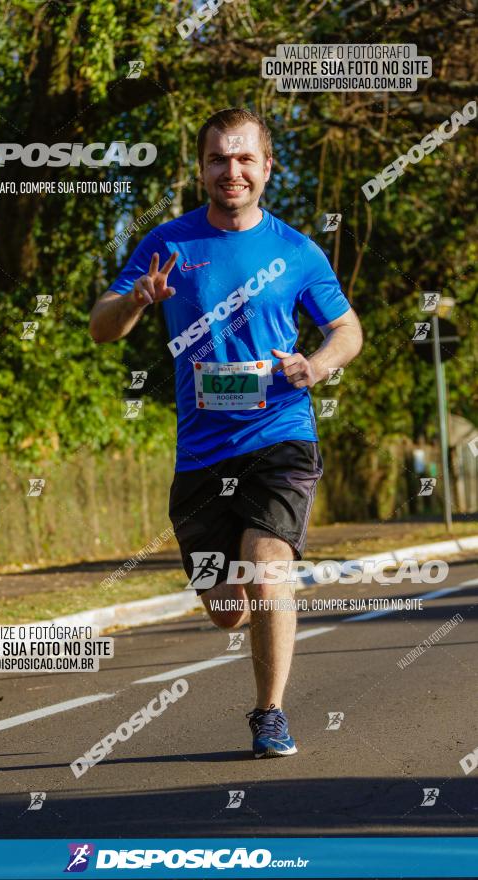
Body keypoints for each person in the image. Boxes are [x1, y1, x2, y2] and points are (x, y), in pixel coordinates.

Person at [90, 107, 363, 758]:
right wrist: (135, 300)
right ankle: (241, 606)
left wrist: (315, 365)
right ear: (201, 169)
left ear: (268, 167)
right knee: (227, 609)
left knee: (268, 571)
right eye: (218, 159)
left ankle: (269, 712)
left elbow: (346, 331)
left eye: (244, 159)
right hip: (202, 454)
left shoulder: (295, 250)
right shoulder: (169, 243)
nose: (231, 171)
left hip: (280, 434)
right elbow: (102, 327)